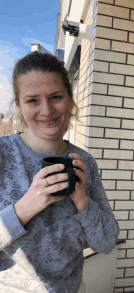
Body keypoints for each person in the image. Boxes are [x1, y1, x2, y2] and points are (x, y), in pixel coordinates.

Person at [0, 51, 120, 293]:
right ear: (20, 105)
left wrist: (83, 202)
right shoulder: (3, 154)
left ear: (70, 99)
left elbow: (106, 242)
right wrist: (25, 207)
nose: (47, 110)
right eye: (33, 100)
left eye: (55, 97)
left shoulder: (85, 162)